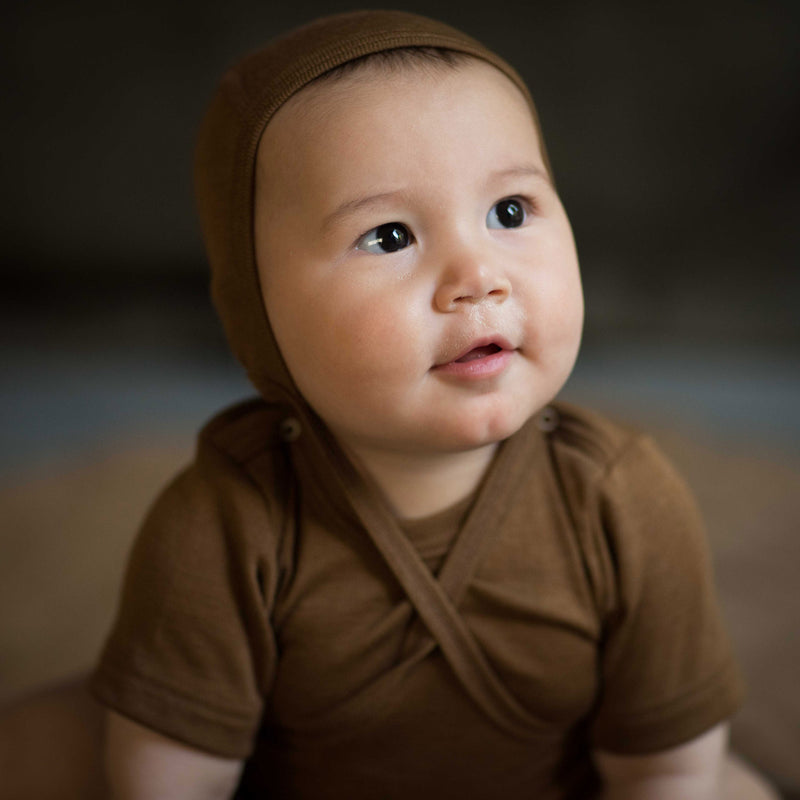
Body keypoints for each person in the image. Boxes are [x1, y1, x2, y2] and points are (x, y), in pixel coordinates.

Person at [4, 9, 779, 799]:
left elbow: (665, 768)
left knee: (732, 786)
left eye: (510, 212)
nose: (478, 277)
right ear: (258, 309)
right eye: (389, 237)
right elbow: (175, 780)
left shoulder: (623, 499)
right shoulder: (227, 521)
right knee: (47, 741)